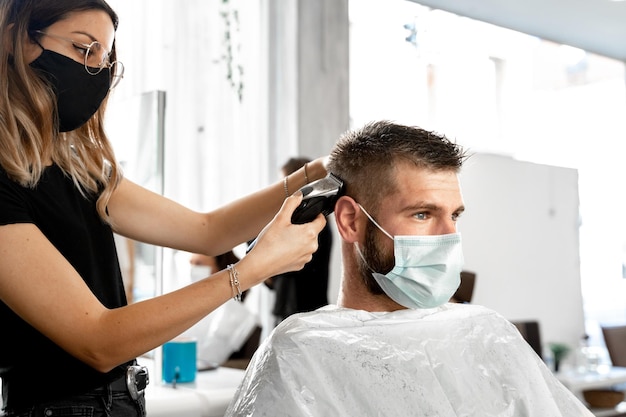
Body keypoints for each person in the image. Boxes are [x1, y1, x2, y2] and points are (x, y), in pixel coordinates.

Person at [0, 1, 328, 416]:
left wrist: (312, 174)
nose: (96, 73)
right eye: (85, 51)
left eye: (105, 59)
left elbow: (208, 230)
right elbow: (98, 341)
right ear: (21, 40)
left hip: (122, 401)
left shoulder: (81, 173)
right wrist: (251, 270)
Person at [225, 121, 593, 417]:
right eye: (422, 214)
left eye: (454, 215)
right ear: (351, 221)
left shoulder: (487, 333)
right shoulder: (300, 352)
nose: (449, 236)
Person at [265, 157, 333, 324]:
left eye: (284, 184)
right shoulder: (313, 223)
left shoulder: (312, 225)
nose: (279, 192)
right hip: (292, 310)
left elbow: (289, 268)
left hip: (301, 312)